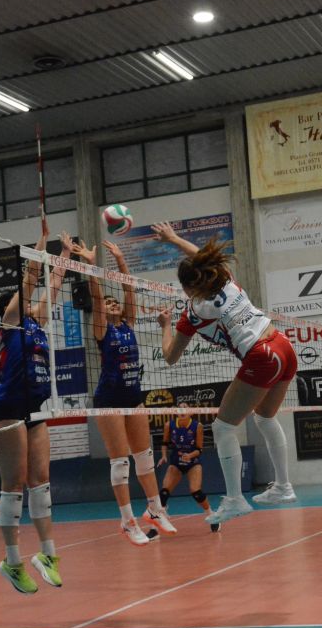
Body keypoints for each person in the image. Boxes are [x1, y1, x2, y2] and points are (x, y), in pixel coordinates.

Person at [153, 222, 297, 525]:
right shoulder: (226, 280)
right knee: (264, 417)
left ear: (187, 288)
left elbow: (170, 357)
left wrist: (165, 327)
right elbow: (202, 258)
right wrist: (174, 239)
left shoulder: (193, 314)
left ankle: (235, 500)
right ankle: (283, 487)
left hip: (261, 356)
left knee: (222, 428)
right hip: (283, 346)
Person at [71, 239, 177, 547]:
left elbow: (129, 290)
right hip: (109, 400)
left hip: (134, 397)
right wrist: (91, 264)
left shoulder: (128, 324)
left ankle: (155, 509)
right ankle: (127, 521)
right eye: (108, 303)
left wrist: (119, 258)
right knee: (120, 463)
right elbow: (95, 295)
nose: (113, 303)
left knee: (145, 458)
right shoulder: (102, 330)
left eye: (114, 302)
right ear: (102, 311)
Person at [0, 221, 71, 594]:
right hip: (7, 406)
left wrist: (65, 255)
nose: (36, 304)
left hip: (34, 408)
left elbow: (53, 285)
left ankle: (48, 555)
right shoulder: (12, 322)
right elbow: (32, 279)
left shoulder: (38, 323)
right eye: (26, 301)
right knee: (14, 483)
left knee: (41, 481)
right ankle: (12, 561)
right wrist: (39, 247)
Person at [156, 403, 219, 532]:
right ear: (176, 412)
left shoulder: (197, 426)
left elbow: (199, 449)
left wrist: (189, 455)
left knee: (195, 491)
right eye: (180, 408)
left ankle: (211, 514)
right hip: (176, 462)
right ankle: (159, 518)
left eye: (185, 408)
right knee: (164, 491)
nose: (182, 410)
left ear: (191, 412)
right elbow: (164, 442)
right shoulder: (169, 425)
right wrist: (163, 456)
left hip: (193, 462)